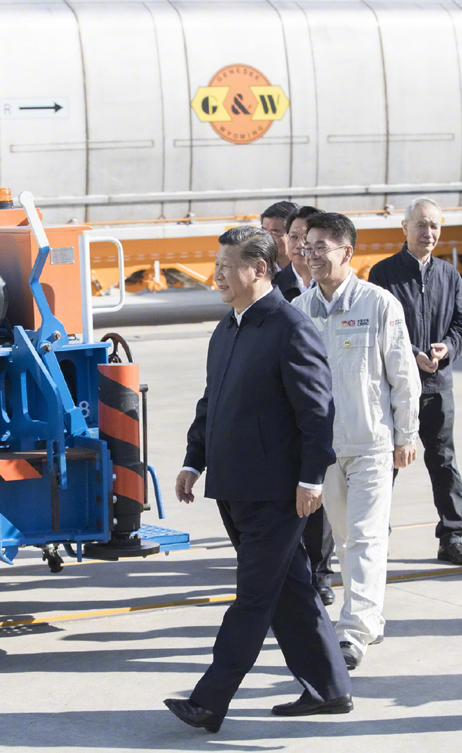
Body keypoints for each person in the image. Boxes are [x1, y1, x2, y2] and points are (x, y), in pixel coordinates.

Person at [165, 226, 352, 733]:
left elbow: (317, 412)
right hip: (233, 486)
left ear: (260, 269)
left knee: (253, 596)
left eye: (227, 267)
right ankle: (330, 688)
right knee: (290, 589)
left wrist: (311, 478)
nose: (217, 276)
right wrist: (193, 461)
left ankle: (210, 701)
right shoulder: (227, 328)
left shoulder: (290, 327)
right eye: (217, 266)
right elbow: (212, 401)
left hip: (277, 493)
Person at [294, 212, 421, 670]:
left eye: (321, 247)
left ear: (347, 252)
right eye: (307, 247)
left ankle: (353, 631)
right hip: (325, 449)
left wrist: (407, 433)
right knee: (347, 538)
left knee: (366, 536)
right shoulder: (299, 309)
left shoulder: (378, 304)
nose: (311, 255)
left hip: (372, 444)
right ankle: (372, 615)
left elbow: (402, 374)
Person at [368, 197, 462, 566]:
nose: (428, 232)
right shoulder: (384, 274)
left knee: (444, 461)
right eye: (420, 225)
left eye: (434, 226)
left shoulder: (449, 275)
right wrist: (412, 353)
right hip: (397, 388)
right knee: (387, 463)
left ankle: (452, 536)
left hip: (437, 387)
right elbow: (379, 327)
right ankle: (376, 536)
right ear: (404, 228)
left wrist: (447, 348)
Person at [277, 205, 337, 605]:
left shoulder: (337, 289)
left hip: (324, 410)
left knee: (321, 498)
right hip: (288, 412)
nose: (302, 246)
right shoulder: (275, 287)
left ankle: (321, 573)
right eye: (296, 237)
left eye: (309, 239)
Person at [277, 205, 319, 302]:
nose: (300, 245)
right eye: (294, 237)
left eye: (307, 238)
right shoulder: (271, 286)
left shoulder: (332, 285)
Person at [261, 200, 299, 271]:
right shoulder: (258, 270)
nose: (266, 238)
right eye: (263, 231)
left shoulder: (312, 268)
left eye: (274, 233)